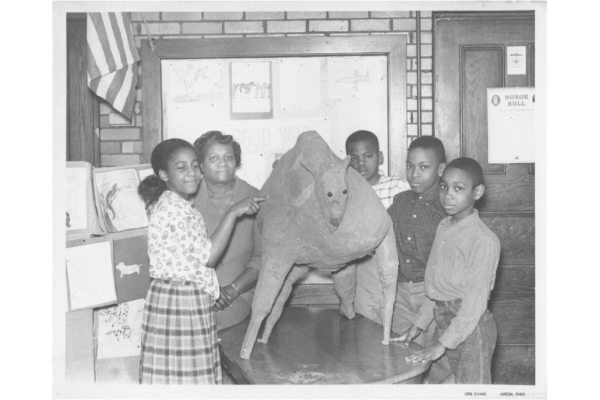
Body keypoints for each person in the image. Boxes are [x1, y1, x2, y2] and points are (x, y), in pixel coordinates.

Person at [137, 138, 266, 384]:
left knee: (181, 376)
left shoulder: (178, 206)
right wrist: (233, 212)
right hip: (181, 302)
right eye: (182, 167)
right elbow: (208, 257)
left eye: (195, 166)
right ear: (164, 174)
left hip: (186, 299)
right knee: (187, 377)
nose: (192, 173)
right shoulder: (175, 210)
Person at [394, 157, 501, 384]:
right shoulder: (444, 226)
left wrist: (442, 345)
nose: (448, 195)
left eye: (458, 189)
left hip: (471, 328)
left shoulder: (483, 240)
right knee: (436, 385)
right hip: (443, 323)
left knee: (474, 391)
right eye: (443, 187)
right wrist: (417, 325)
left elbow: (474, 305)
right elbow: (435, 290)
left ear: (478, 192)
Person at [386, 136, 451, 383]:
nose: (414, 174)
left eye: (424, 167)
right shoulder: (399, 202)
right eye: (410, 166)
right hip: (401, 294)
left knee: (437, 362)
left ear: (441, 169)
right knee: (404, 360)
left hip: (434, 296)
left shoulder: (446, 205)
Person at [192, 131, 262, 332]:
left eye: (228, 157)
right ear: (201, 165)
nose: (222, 163)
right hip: (194, 294)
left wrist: (232, 290)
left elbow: (261, 257)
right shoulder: (188, 200)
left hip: (238, 294)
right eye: (213, 158)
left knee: (206, 326)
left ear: (236, 162)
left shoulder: (254, 198)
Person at [345, 130, 410, 324]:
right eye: (354, 158)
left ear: (379, 157)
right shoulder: (345, 194)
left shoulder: (397, 187)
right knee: (368, 327)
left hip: (398, 268)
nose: (361, 163)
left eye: (368, 156)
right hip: (364, 268)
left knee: (397, 326)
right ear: (347, 161)